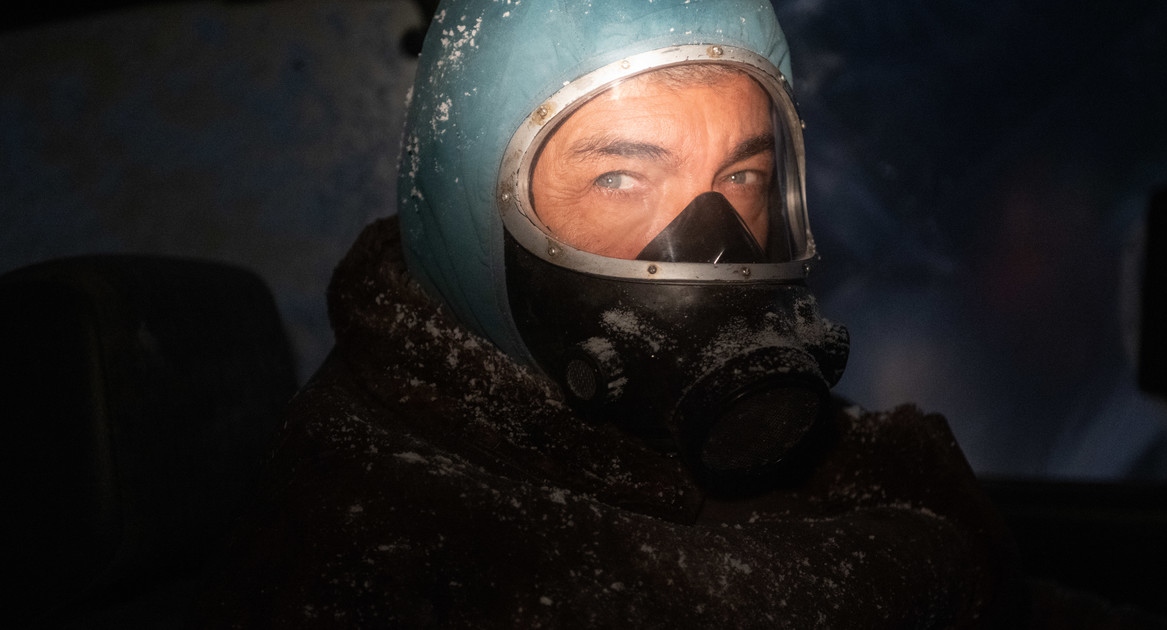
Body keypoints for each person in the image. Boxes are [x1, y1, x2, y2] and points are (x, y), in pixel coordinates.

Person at [205, 0, 1030, 626]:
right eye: (619, 179)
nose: (711, 247)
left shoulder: (771, 436)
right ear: (470, 215)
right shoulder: (363, 533)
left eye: (742, 176)